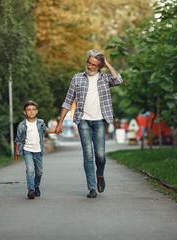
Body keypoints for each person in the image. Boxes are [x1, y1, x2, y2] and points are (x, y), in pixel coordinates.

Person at [55, 49, 123, 198]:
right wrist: (60, 122)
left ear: (99, 66)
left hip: (100, 120)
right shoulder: (77, 78)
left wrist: (108, 64)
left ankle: (100, 174)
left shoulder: (105, 78)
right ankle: (92, 188)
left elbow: (119, 80)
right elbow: (68, 101)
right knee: (88, 155)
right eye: (88, 63)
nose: (90, 66)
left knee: (100, 155)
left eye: (94, 64)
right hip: (83, 120)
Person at [14, 101, 56, 199]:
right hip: (27, 150)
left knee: (39, 172)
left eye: (33, 110)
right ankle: (31, 190)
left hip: (38, 151)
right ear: (25, 112)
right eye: (29, 110)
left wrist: (55, 131)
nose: (31, 112)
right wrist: (16, 154)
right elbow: (18, 140)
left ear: (36, 111)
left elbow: (46, 129)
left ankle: (36, 186)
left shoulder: (40, 122)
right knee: (30, 170)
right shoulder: (22, 125)